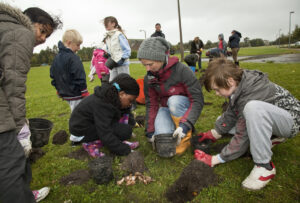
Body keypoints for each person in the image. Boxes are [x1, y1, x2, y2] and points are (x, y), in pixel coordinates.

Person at [194, 57, 300, 190]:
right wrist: (215, 133)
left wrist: (216, 159)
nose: (216, 94)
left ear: (230, 81)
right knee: (223, 119)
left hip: (291, 122)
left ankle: (264, 167)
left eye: (217, 89)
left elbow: (242, 135)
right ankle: (272, 137)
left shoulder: (252, 94)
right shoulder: (240, 84)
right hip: (273, 118)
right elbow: (232, 112)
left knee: (253, 108)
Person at [0, 3, 62, 202]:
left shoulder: (5, 25)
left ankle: (25, 194)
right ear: (29, 21)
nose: (43, 39)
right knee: (12, 161)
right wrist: (20, 130)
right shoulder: (22, 32)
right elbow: (13, 85)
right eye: (42, 31)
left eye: (47, 36)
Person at [137, 37, 204, 156]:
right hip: (165, 108)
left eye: (150, 64)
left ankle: (185, 130)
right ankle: (173, 128)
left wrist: (185, 125)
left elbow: (197, 100)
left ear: (161, 58)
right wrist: (150, 131)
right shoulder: (149, 78)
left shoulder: (182, 70)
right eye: (144, 65)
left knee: (173, 102)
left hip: (182, 106)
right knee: (162, 138)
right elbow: (151, 104)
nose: (147, 69)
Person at [69, 73, 139, 156]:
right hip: (81, 132)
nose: (131, 104)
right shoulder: (102, 104)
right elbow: (105, 133)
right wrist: (125, 150)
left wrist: (128, 112)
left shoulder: (111, 96)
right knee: (122, 132)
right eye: (130, 100)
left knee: (125, 131)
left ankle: (107, 141)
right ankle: (90, 144)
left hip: (92, 124)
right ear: (122, 94)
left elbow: (120, 114)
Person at [50, 29, 89, 144]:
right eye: (77, 45)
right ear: (68, 42)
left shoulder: (57, 58)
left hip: (65, 93)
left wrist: (58, 89)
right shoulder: (73, 58)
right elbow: (79, 75)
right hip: (75, 93)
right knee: (78, 114)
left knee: (75, 112)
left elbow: (53, 75)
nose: (79, 48)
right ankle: (76, 138)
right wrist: (84, 91)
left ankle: (78, 134)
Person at [102, 16, 131, 82]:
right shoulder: (107, 36)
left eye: (107, 23)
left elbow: (127, 49)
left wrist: (122, 59)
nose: (105, 25)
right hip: (113, 63)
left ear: (113, 24)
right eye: (104, 23)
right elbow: (110, 50)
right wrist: (107, 54)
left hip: (122, 64)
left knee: (124, 82)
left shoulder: (119, 35)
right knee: (112, 83)